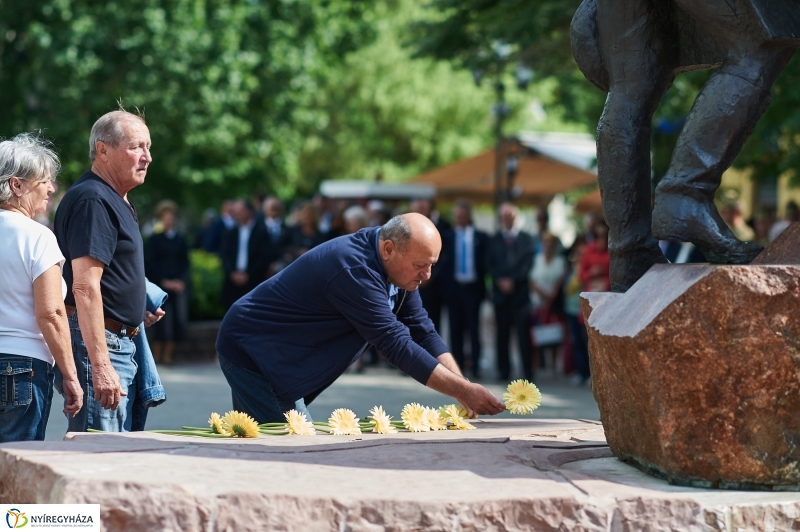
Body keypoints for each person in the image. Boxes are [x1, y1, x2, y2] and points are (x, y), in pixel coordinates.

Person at [216, 214, 506, 422]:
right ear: (389, 249)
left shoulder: (395, 268)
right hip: (252, 351)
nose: (427, 276)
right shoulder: (354, 269)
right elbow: (394, 343)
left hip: (275, 354)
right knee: (296, 444)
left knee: (255, 442)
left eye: (431, 266)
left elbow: (422, 330)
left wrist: (462, 387)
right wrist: (464, 390)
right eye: (420, 265)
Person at [54, 109, 161, 432]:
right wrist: (100, 365)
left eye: (149, 147)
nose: (148, 157)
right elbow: (84, 287)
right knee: (97, 459)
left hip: (119, 341)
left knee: (113, 453)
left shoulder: (114, 198)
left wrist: (134, 306)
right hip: (101, 346)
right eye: (137, 147)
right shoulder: (93, 199)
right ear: (103, 150)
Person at [0, 134, 83, 442]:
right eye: (44, 181)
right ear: (16, 185)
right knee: (15, 474)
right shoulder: (37, 236)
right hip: (20, 366)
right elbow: (50, 312)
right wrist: (71, 377)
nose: (51, 188)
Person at [487, 202, 535, 382]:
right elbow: (489, 263)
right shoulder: (494, 240)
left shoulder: (526, 239)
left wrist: (513, 280)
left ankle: (527, 372)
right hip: (500, 296)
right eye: (504, 216)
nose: (507, 219)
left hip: (520, 295)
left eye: (510, 216)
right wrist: (501, 280)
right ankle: (503, 370)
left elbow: (527, 263)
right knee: (502, 335)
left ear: (515, 217)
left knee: (523, 335)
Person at [442, 200, 488, 379]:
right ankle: (458, 366)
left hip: (473, 288)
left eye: (463, 215)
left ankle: (475, 365)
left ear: (469, 216)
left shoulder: (480, 236)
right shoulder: (448, 236)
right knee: (455, 328)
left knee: (474, 328)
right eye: (457, 216)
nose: (460, 219)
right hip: (454, 289)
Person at [146, 200, 190, 364]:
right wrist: (164, 281)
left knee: (176, 321)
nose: (169, 220)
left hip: (177, 287)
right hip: (160, 285)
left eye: (171, 217)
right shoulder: (154, 239)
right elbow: (151, 263)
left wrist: (181, 281)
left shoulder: (180, 239)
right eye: (166, 217)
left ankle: (168, 356)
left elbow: (185, 262)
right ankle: (156, 356)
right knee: (161, 321)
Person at [410, 198, 451, 334]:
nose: (421, 211)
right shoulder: (406, 226)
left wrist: (429, 276)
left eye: (423, 208)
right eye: (418, 208)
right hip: (410, 283)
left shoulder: (443, 227)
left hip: (433, 285)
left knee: (432, 322)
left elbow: (445, 256)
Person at [221, 199, 269, 310]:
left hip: (253, 281)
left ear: (249, 212)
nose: (236, 214)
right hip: (232, 283)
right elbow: (225, 255)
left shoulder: (261, 232)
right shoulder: (230, 233)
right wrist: (233, 273)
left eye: (240, 211)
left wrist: (248, 274)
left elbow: (264, 257)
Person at [261, 196, 293, 279]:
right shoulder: (257, 228)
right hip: (260, 272)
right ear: (264, 209)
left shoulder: (288, 230)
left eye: (277, 208)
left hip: (282, 271)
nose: (274, 210)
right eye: (272, 208)